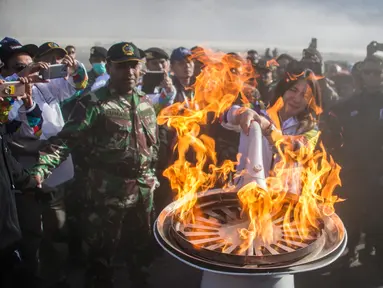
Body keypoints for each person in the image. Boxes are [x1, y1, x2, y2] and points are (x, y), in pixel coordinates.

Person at [29, 42, 159, 288]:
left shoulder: (145, 103)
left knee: (141, 250)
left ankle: (139, 278)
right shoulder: (94, 103)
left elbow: (152, 147)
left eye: (133, 66)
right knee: (101, 257)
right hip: (107, 194)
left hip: (143, 192)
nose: (129, 72)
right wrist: (41, 168)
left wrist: (152, 176)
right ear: (109, 67)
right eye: (122, 67)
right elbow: (65, 140)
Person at [222, 70, 321, 187]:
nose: (297, 99)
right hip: (247, 191)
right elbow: (225, 116)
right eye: (293, 90)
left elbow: (299, 150)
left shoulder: (310, 128)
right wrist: (240, 114)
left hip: (283, 198)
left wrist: (268, 129)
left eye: (305, 96)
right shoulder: (258, 110)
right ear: (283, 90)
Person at [142, 47, 175, 114]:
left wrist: (169, 90)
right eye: (154, 63)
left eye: (162, 62)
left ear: (167, 63)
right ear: (147, 65)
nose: (160, 66)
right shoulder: (140, 84)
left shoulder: (176, 81)